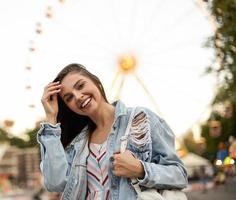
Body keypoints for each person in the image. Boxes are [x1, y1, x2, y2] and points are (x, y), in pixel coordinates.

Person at [37, 63, 188, 199]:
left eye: (81, 86)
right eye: (69, 98)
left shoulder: (140, 119)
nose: (78, 96)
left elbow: (179, 175)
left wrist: (141, 169)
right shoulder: (77, 144)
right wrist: (51, 118)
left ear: (96, 82)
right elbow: (54, 183)